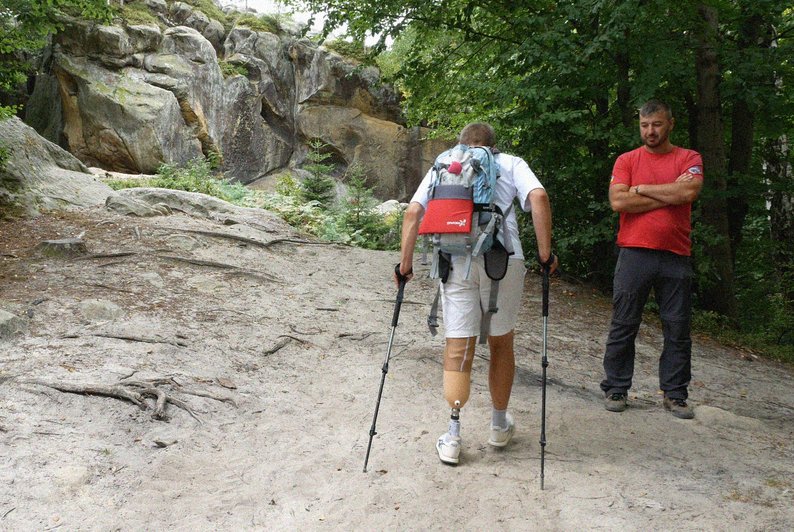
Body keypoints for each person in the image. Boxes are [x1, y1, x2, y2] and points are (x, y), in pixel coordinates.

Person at [396, 122, 558, 465]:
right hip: (504, 260)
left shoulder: (444, 163)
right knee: (501, 341)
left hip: (455, 259)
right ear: (493, 147)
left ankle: (453, 437)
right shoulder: (511, 163)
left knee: (459, 344)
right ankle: (498, 426)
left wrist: (404, 266)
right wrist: (546, 255)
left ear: (461, 145)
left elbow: (413, 212)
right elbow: (539, 198)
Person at [600, 100, 703, 419]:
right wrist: (666, 193)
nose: (650, 131)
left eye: (656, 124)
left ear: (670, 124)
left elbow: (687, 194)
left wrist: (641, 189)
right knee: (624, 323)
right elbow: (618, 201)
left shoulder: (689, 157)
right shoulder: (627, 160)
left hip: (676, 254)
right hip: (634, 252)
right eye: (645, 126)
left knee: (678, 327)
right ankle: (616, 387)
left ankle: (675, 394)